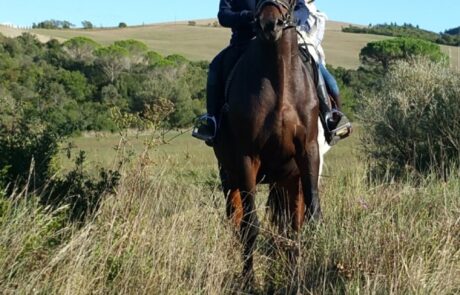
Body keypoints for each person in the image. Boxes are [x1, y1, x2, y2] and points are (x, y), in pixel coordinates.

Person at [193, 0, 309, 144]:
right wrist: (247, 16)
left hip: (282, 43)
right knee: (215, 67)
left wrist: (291, 17)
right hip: (243, 43)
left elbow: (303, 9)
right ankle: (212, 120)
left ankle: (329, 114)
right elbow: (223, 15)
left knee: (314, 66)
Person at [297, 0, 352, 144]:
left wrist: (301, 43)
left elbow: (316, 40)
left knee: (332, 84)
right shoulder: (289, 8)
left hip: (310, 54)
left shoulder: (319, 16)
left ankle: (336, 118)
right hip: (289, 51)